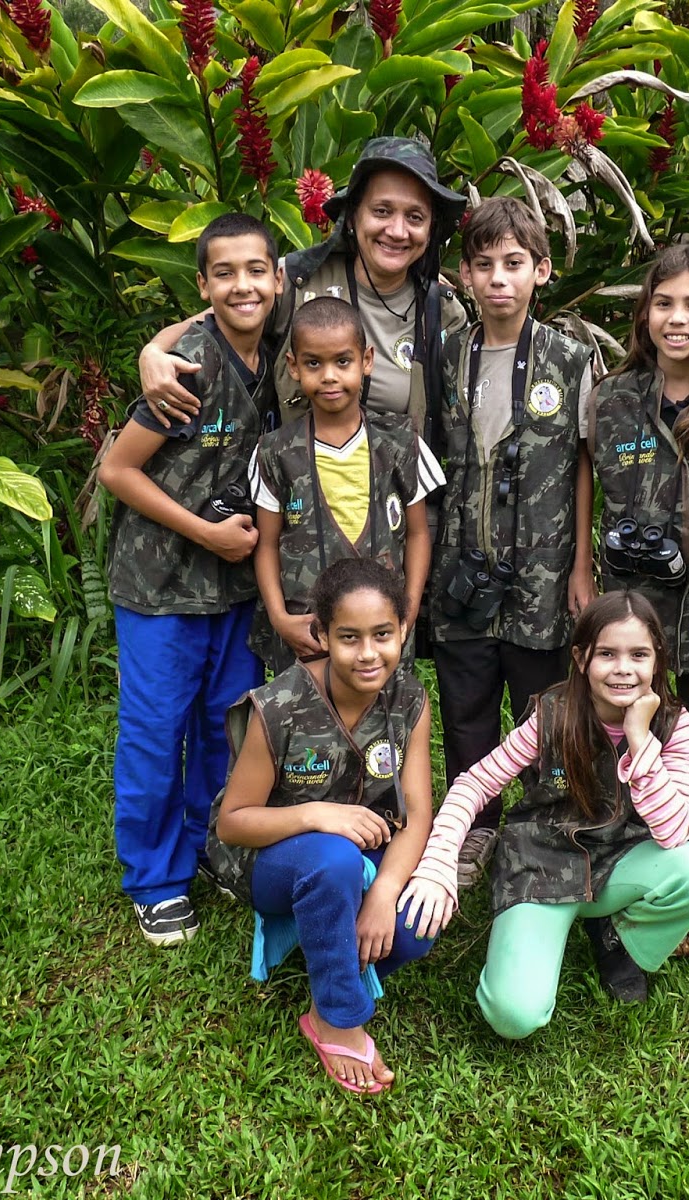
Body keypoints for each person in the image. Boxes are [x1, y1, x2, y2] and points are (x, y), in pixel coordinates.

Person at [399, 592, 689, 1037]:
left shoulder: (673, 723)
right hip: (542, 867)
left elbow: (675, 833)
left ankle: (618, 940)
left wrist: (639, 739)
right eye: (607, 654)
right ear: (580, 658)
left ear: (657, 660)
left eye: (639, 655)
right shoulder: (551, 715)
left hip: (621, 860)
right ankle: (537, 933)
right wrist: (437, 863)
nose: (623, 668)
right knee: (514, 1016)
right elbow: (475, 783)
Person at [98, 213, 280, 946]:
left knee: (224, 723)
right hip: (162, 584)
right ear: (203, 286)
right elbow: (117, 470)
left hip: (235, 590)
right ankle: (155, 878)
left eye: (256, 270)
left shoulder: (279, 350)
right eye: (224, 273)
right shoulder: (188, 367)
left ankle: (210, 843)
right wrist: (204, 533)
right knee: (155, 730)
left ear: (278, 279)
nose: (243, 286)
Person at [206, 558, 434, 1095]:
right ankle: (334, 1016)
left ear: (403, 630)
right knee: (331, 859)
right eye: (349, 637)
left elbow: (417, 814)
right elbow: (232, 824)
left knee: (414, 928)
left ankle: (331, 942)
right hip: (274, 857)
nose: (368, 653)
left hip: (360, 855)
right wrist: (316, 814)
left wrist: (384, 893)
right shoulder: (279, 705)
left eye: (382, 634)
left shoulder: (410, 699)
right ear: (323, 636)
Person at [429, 196, 597, 890]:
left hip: (542, 573)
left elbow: (584, 463)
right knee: (466, 708)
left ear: (541, 270)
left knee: (544, 708)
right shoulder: (445, 356)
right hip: (461, 569)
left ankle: (545, 824)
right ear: (465, 275)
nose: (499, 278)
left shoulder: (571, 358)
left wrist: (581, 565)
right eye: (484, 264)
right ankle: (476, 827)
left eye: (514, 263)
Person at [588, 241, 689, 852]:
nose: (677, 319)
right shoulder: (613, 398)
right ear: (644, 312)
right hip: (633, 602)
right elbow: (586, 487)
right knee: (623, 720)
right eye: (663, 303)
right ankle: (616, 835)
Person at [138, 137, 469, 442]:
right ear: (353, 216)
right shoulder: (299, 281)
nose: (397, 231)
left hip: (401, 482)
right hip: (295, 479)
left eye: (415, 217)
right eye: (381, 211)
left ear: (431, 229)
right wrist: (152, 352)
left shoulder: (442, 312)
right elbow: (214, 321)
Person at [248, 298, 441, 673]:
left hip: (382, 638)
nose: (329, 376)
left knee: (385, 711)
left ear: (366, 361)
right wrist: (279, 618)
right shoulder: (275, 452)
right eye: (313, 364)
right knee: (309, 711)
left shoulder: (401, 443)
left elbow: (418, 534)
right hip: (308, 636)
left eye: (342, 361)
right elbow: (267, 544)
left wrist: (409, 609)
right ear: (293, 366)